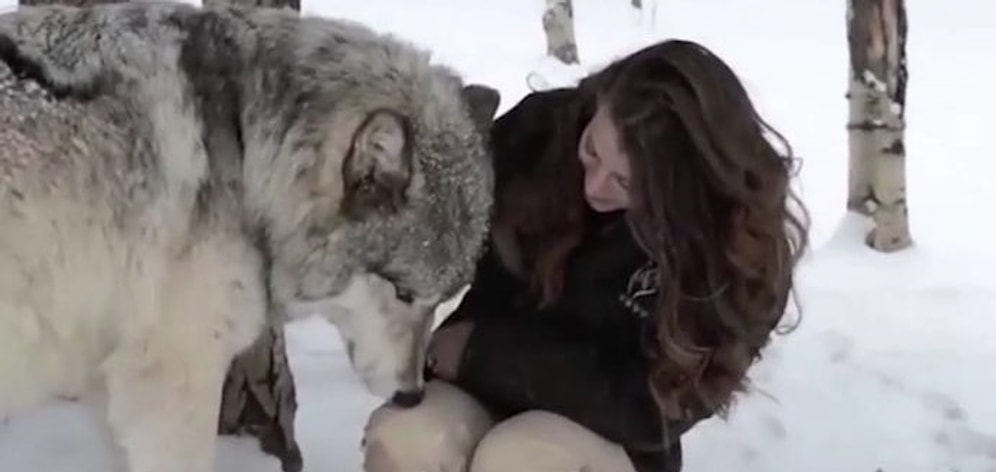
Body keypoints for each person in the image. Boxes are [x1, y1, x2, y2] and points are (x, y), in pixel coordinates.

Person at [360, 38, 810, 472]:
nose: (594, 186)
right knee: (406, 438)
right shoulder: (542, 132)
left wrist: (482, 352)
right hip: (477, 387)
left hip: (604, 433)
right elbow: (439, 234)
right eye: (593, 152)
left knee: (519, 459)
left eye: (627, 184)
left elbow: (659, 407)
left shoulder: (737, 249)